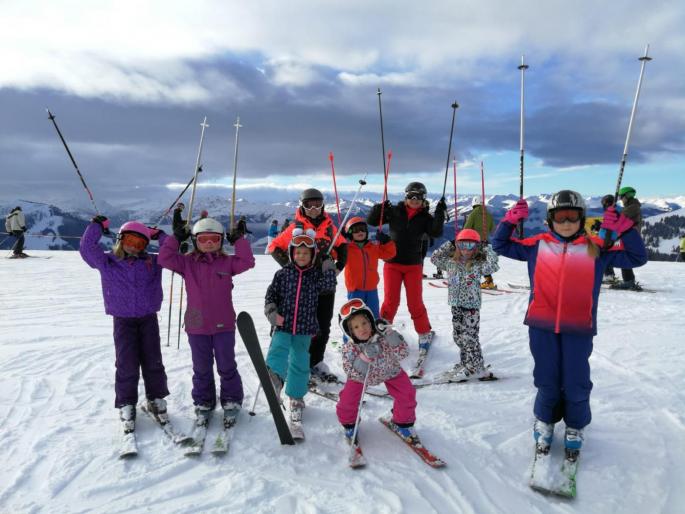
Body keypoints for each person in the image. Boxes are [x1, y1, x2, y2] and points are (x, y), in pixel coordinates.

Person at [492, 190, 647, 462]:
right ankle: (545, 421)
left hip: (579, 328)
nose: (566, 222)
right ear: (550, 220)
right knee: (546, 379)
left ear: (581, 218)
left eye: (572, 216)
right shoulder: (536, 246)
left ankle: (575, 426)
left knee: (576, 381)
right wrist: (509, 221)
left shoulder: (597, 249)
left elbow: (637, 258)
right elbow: (500, 245)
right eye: (560, 216)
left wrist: (626, 228)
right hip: (541, 326)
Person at [158, 216, 255, 428]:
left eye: (214, 239)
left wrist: (239, 240)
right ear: (195, 241)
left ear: (221, 240)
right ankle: (204, 403)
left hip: (224, 324)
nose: (209, 243)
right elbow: (164, 259)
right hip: (196, 323)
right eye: (203, 239)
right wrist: (175, 238)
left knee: (226, 365)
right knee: (201, 368)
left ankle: (231, 401)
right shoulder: (187, 262)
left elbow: (248, 262)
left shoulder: (227, 262)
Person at [79, 216, 171, 437]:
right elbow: (86, 248)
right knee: (126, 363)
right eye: (130, 240)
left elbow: (171, 254)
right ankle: (126, 404)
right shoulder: (108, 261)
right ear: (120, 240)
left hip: (148, 318)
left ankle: (156, 398)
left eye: (140, 243)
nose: (134, 246)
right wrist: (97, 227)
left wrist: (161, 236)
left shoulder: (153, 263)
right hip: (122, 320)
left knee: (153, 361)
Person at [268, 188, 347, 383]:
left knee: (322, 325)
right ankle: (296, 364)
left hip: (325, 283)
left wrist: (338, 267)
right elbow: (274, 247)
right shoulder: (296, 225)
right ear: (302, 206)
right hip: (302, 284)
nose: (313, 208)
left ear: (322, 205)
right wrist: (290, 269)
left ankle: (315, 362)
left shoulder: (329, 226)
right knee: (299, 325)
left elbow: (343, 245)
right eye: (308, 205)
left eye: (317, 204)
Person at [264, 229, 337, 424]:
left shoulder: (315, 277)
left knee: (300, 363)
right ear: (291, 254)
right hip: (283, 324)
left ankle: (296, 398)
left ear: (312, 256)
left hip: (305, 328)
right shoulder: (282, 275)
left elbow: (329, 286)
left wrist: (329, 266)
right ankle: (274, 379)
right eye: (297, 252)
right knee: (278, 349)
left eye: (306, 253)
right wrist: (272, 313)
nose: (301, 256)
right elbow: (271, 296)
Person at [366, 181, 447, 349]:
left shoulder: (425, 218)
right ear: (406, 196)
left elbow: (436, 232)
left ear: (424, 199)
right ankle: (382, 334)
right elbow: (372, 221)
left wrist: (439, 212)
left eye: (419, 196)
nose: (415, 200)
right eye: (411, 196)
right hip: (392, 263)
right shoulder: (395, 211)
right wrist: (379, 208)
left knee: (415, 302)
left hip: (413, 265)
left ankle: (424, 334)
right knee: (390, 301)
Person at [335, 299, 417, 442]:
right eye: (356, 327)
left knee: (407, 394)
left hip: (390, 370)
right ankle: (350, 425)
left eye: (364, 323)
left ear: (371, 321)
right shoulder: (351, 347)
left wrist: (391, 335)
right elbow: (350, 371)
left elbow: (403, 353)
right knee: (347, 401)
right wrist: (364, 357)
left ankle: (402, 422)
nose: (362, 328)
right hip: (362, 376)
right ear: (350, 332)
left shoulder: (383, 335)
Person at [429, 228, 499, 380]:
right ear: (457, 246)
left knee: (470, 338)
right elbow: (434, 258)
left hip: (471, 307)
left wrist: (487, 248)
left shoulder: (478, 265)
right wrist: (450, 244)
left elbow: (493, 265)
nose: (466, 250)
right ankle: (466, 362)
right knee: (459, 336)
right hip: (456, 305)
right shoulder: (450, 263)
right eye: (462, 245)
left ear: (476, 247)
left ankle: (477, 367)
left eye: (471, 246)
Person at [342, 217, 396, 320]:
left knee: (373, 314)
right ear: (350, 233)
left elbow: (390, 253)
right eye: (356, 230)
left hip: (372, 289)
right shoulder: (347, 249)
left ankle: (374, 334)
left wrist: (387, 241)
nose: (360, 232)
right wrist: (339, 240)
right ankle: (351, 335)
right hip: (355, 290)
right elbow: (335, 254)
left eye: (362, 229)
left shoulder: (373, 248)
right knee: (356, 316)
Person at [612, 186, 643, 290]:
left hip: (629, 236)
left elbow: (620, 218)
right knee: (624, 256)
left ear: (627, 196)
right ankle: (629, 280)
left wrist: (613, 211)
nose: (621, 199)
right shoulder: (632, 206)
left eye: (622, 197)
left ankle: (628, 281)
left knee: (623, 256)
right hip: (628, 236)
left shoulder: (633, 207)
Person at [463, 202, 496, 289]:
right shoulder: (488, 214)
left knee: (470, 262)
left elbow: (466, 228)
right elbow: (493, 230)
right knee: (483, 262)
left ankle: (469, 282)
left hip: (474, 241)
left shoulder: (473, 213)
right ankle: (489, 282)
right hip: (485, 242)